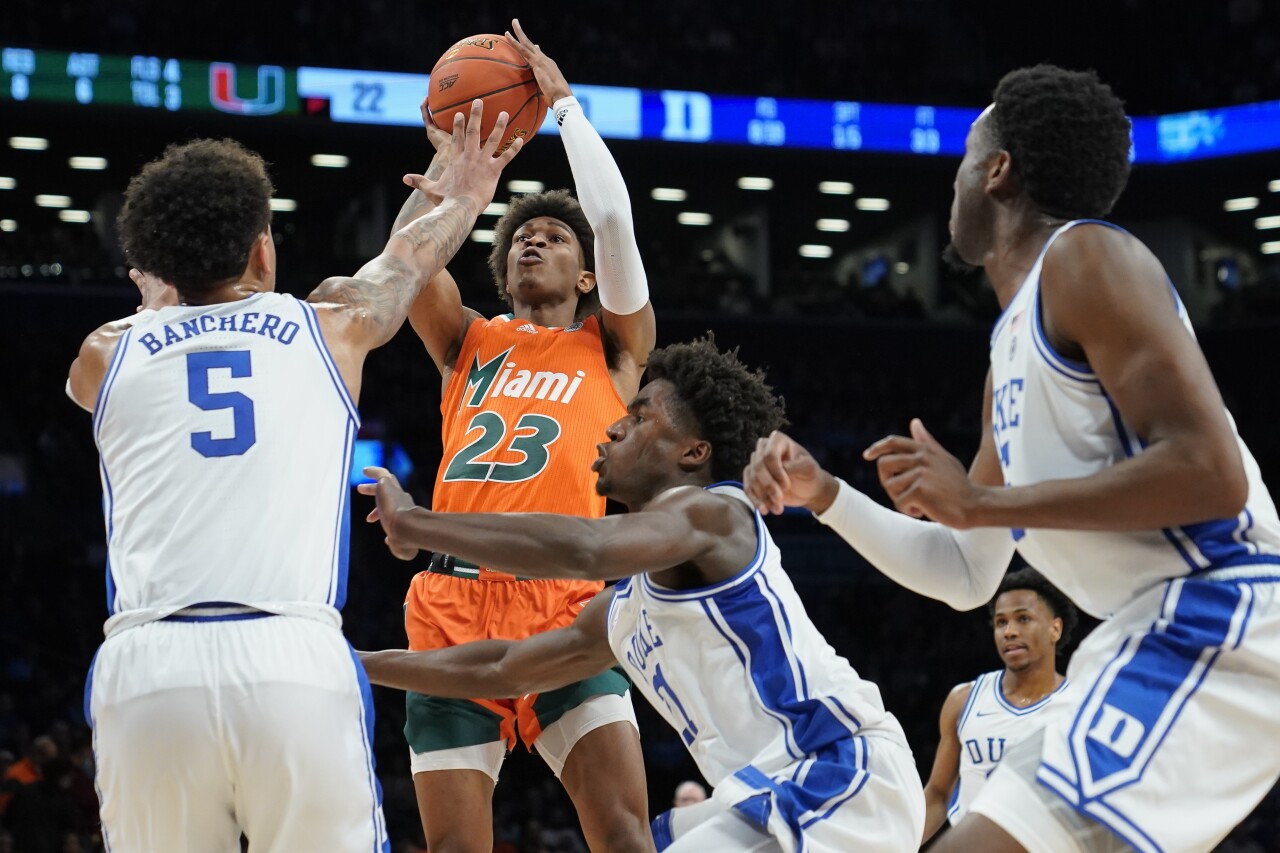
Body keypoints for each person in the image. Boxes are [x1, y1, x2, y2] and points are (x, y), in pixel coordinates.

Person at [744, 64, 1280, 853]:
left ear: (997, 171)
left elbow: (1212, 475)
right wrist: (826, 495)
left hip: (1219, 610)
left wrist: (981, 502)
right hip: (1140, 632)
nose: (953, 179)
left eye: (966, 158)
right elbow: (966, 572)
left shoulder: (1085, 256)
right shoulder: (1009, 346)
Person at [65, 101, 521, 850]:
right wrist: (463, 190)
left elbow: (126, 357)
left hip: (149, 667)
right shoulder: (331, 325)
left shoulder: (104, 354)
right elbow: (405, 261)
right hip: (289, 659)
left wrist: (159, 307)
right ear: (262, 250)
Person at [358, 337, 926, 853]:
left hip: (839, 766)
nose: (613, 428)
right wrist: (356, 662)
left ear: (693, 453)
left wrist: (416, 523)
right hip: (768, 789)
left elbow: (587, 549)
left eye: (639, 416)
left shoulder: (715, 513)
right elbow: (503, 667)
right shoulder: (625, 607)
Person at [390, 20, 656, 853]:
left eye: (554, 237)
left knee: (623, 833)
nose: (532, 238)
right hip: (451, 604)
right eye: (518, 239)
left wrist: (566, 108)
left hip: (565, 601)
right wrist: (452, 170)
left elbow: (614, 221)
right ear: (502, 270)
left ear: (587, 275)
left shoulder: (614, 348)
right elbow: (404, 263)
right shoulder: (467, 339)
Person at [921, 567, 1077, 844]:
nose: (1010, 631)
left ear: (1055, 628)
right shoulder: (964, 699)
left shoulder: (1078, 705)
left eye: (1023, 619)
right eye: (1001, 622)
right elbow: (937, 795)